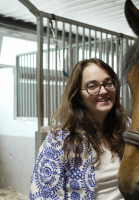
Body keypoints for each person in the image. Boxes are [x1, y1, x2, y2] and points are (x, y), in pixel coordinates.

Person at [29, 58, 131, 199]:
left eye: (108, 83)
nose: (103, 91)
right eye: (92, 86)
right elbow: (43, 195)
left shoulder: (129, 128)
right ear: (77, 95)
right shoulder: (58, 142)